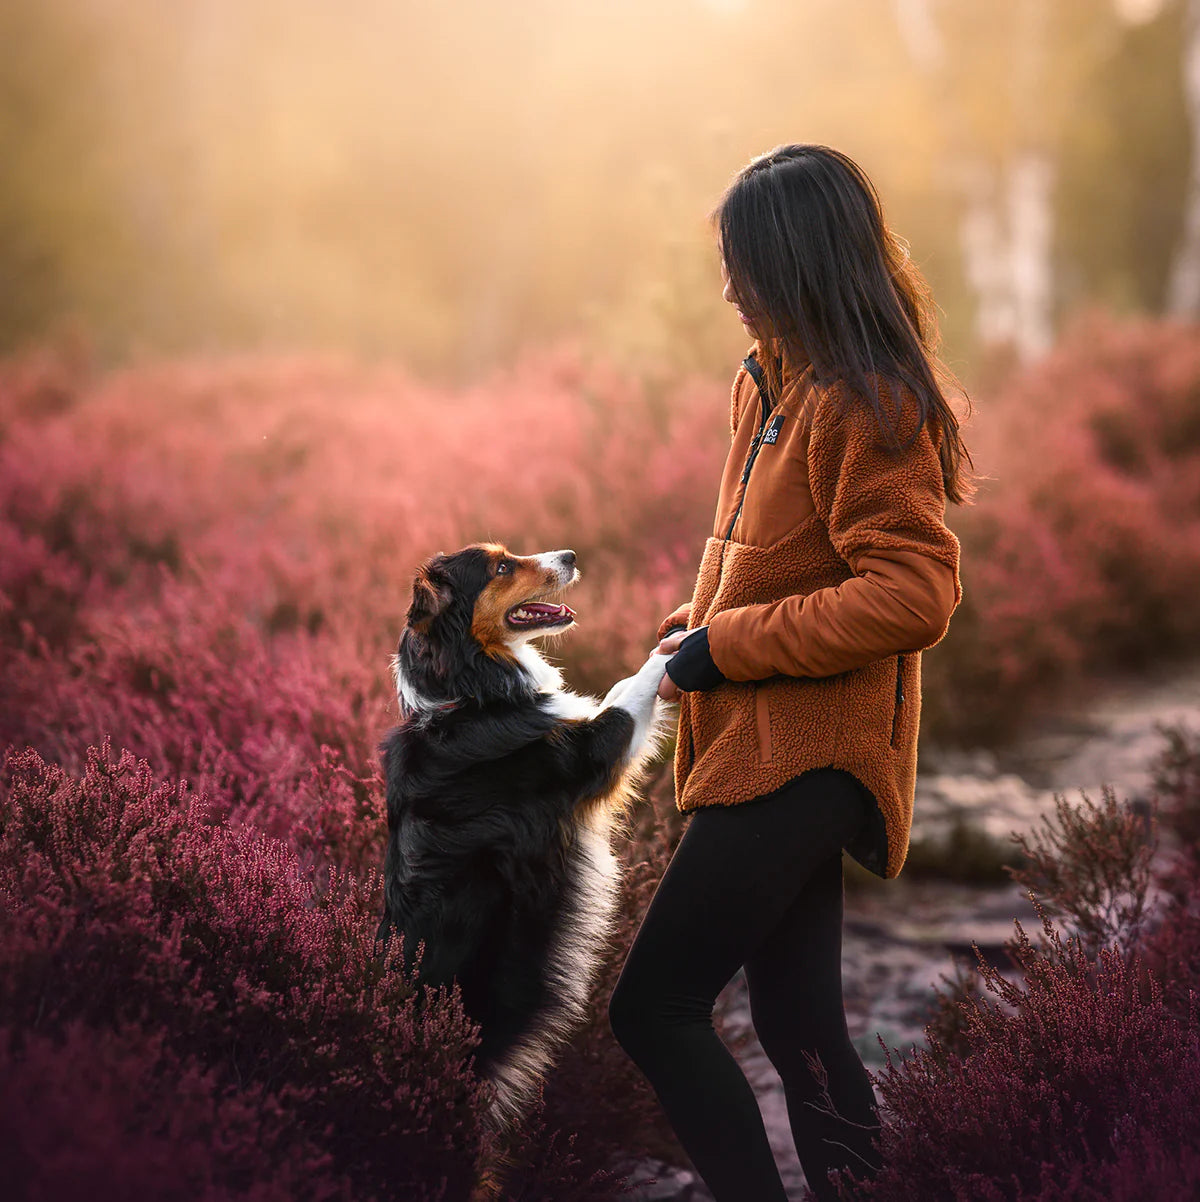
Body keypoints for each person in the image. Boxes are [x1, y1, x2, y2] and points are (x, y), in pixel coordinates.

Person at [608, 144, 977, 1202]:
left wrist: (732, 644)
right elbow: (784, 558)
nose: (727, 283)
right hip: (762, 746)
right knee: (797, 1022)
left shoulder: (867, 403)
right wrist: (701, 626)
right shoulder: (770, 380)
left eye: (745, 258)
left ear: (798, 259)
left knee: (655, 1008)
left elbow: (914, 592)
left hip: (813, 757)